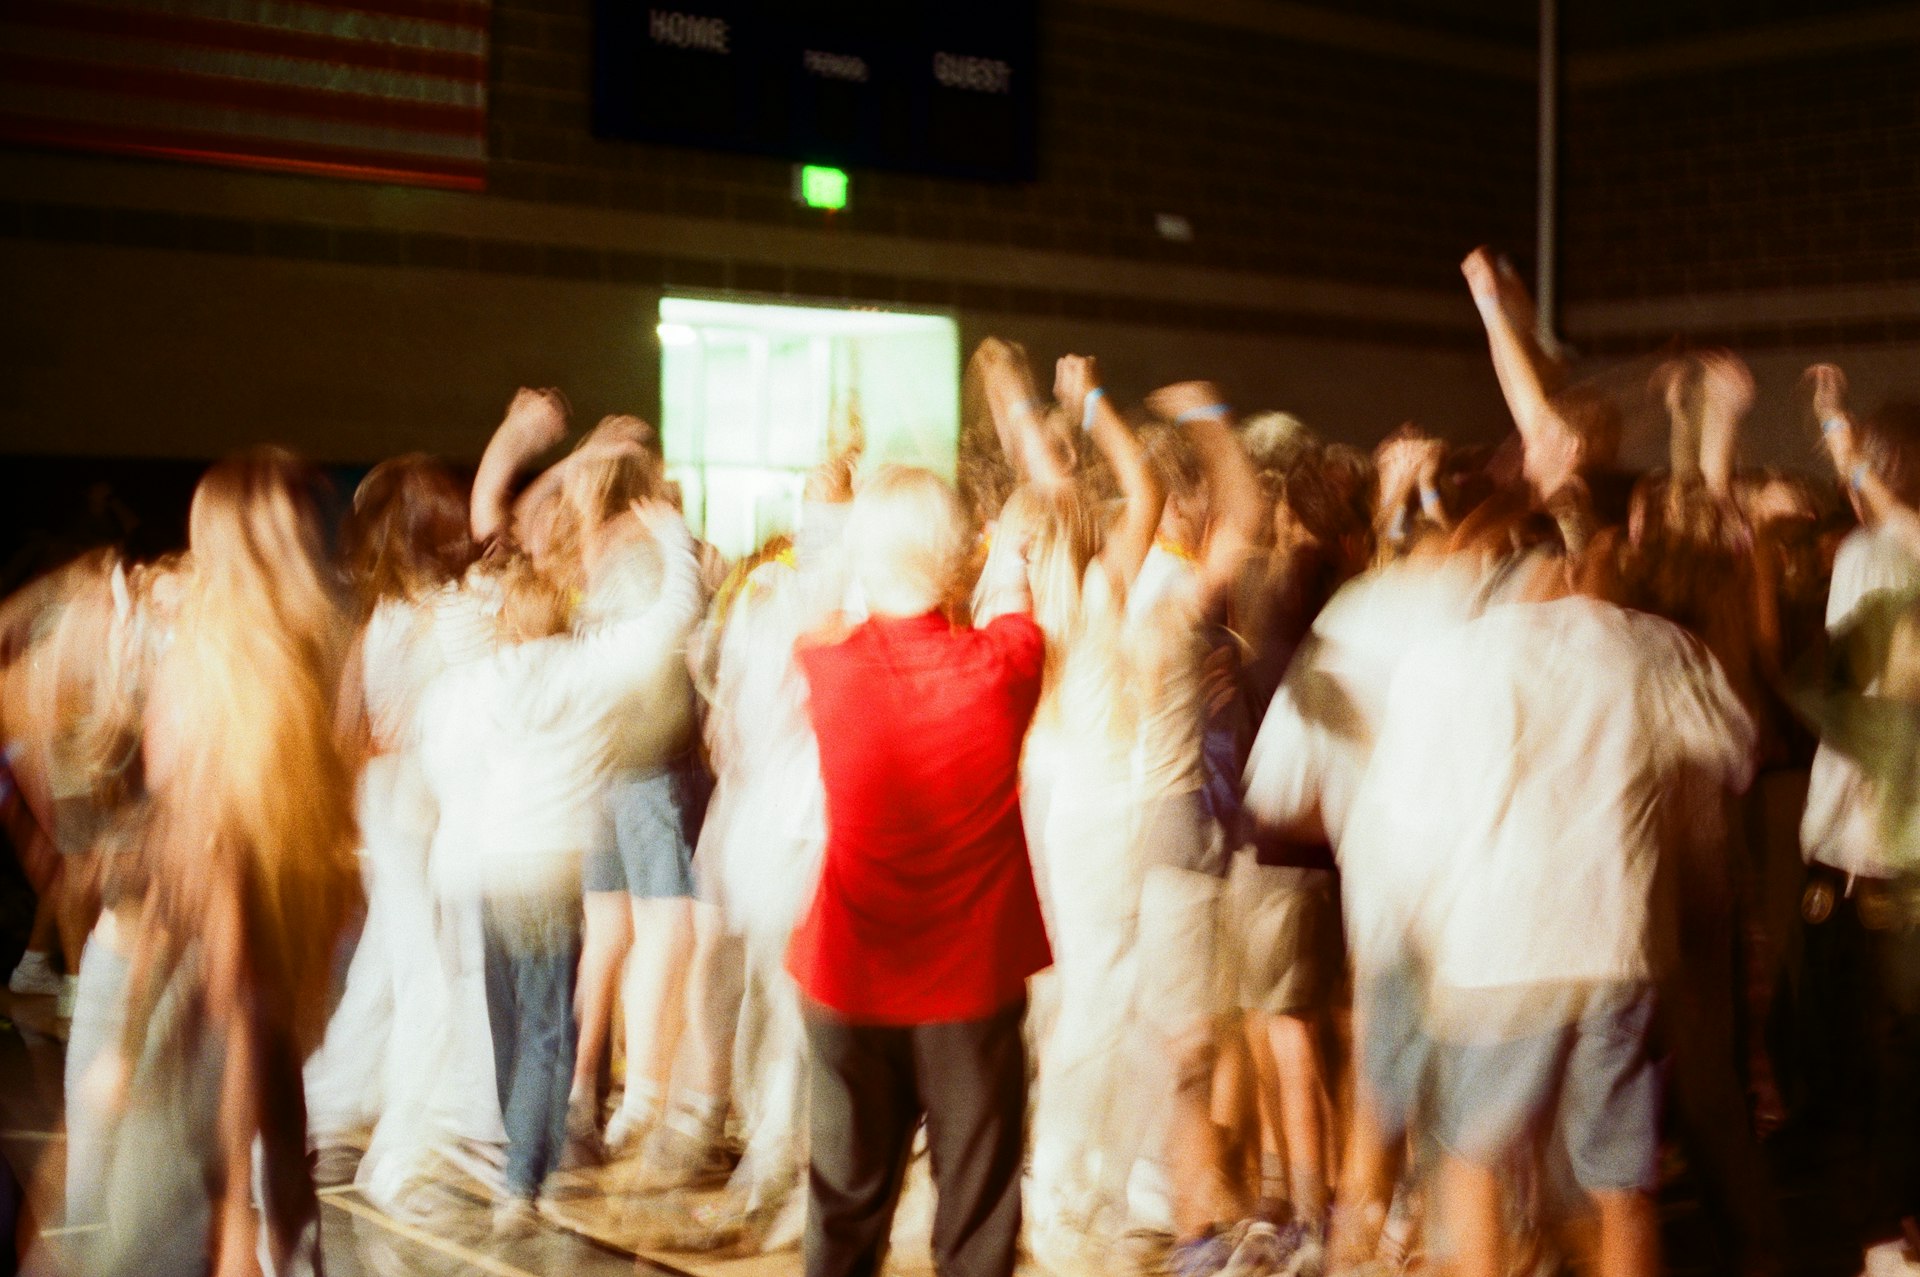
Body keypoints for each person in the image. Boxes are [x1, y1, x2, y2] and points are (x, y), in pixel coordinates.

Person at [786, 463, 1048, 1277]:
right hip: (968, 987)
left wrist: (836, 520)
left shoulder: (827, 665)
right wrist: (1005, 549)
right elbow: (1012, 596)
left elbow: (821, 597)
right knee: (976, 1218)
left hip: (850, 974)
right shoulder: (1006, 666)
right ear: (955, 560)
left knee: (843, 1208)